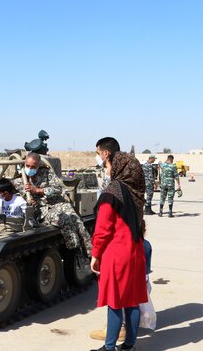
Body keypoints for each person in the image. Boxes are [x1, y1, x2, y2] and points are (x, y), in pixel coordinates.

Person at [0, 151, 92, 256]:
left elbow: (59, 189)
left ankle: (91, 254)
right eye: (27, 165)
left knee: (78, 223)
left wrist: (38, 190)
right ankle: (75, 252)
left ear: (38, 165)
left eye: (33, 167)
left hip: (59, 204)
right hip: (43, 211)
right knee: (65, 220)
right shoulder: (20, 180)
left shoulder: (47, 174)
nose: (30, 169)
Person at [90, 150, 147, 351]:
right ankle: (129, 344)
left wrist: (95, 253)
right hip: (135, 251)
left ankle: (109, 346)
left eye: (107, 165)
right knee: (132, 301)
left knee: (114, 301)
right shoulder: (135, 191)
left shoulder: (111, 192)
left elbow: (103, 229)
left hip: (117, 254)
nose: (106, 169)